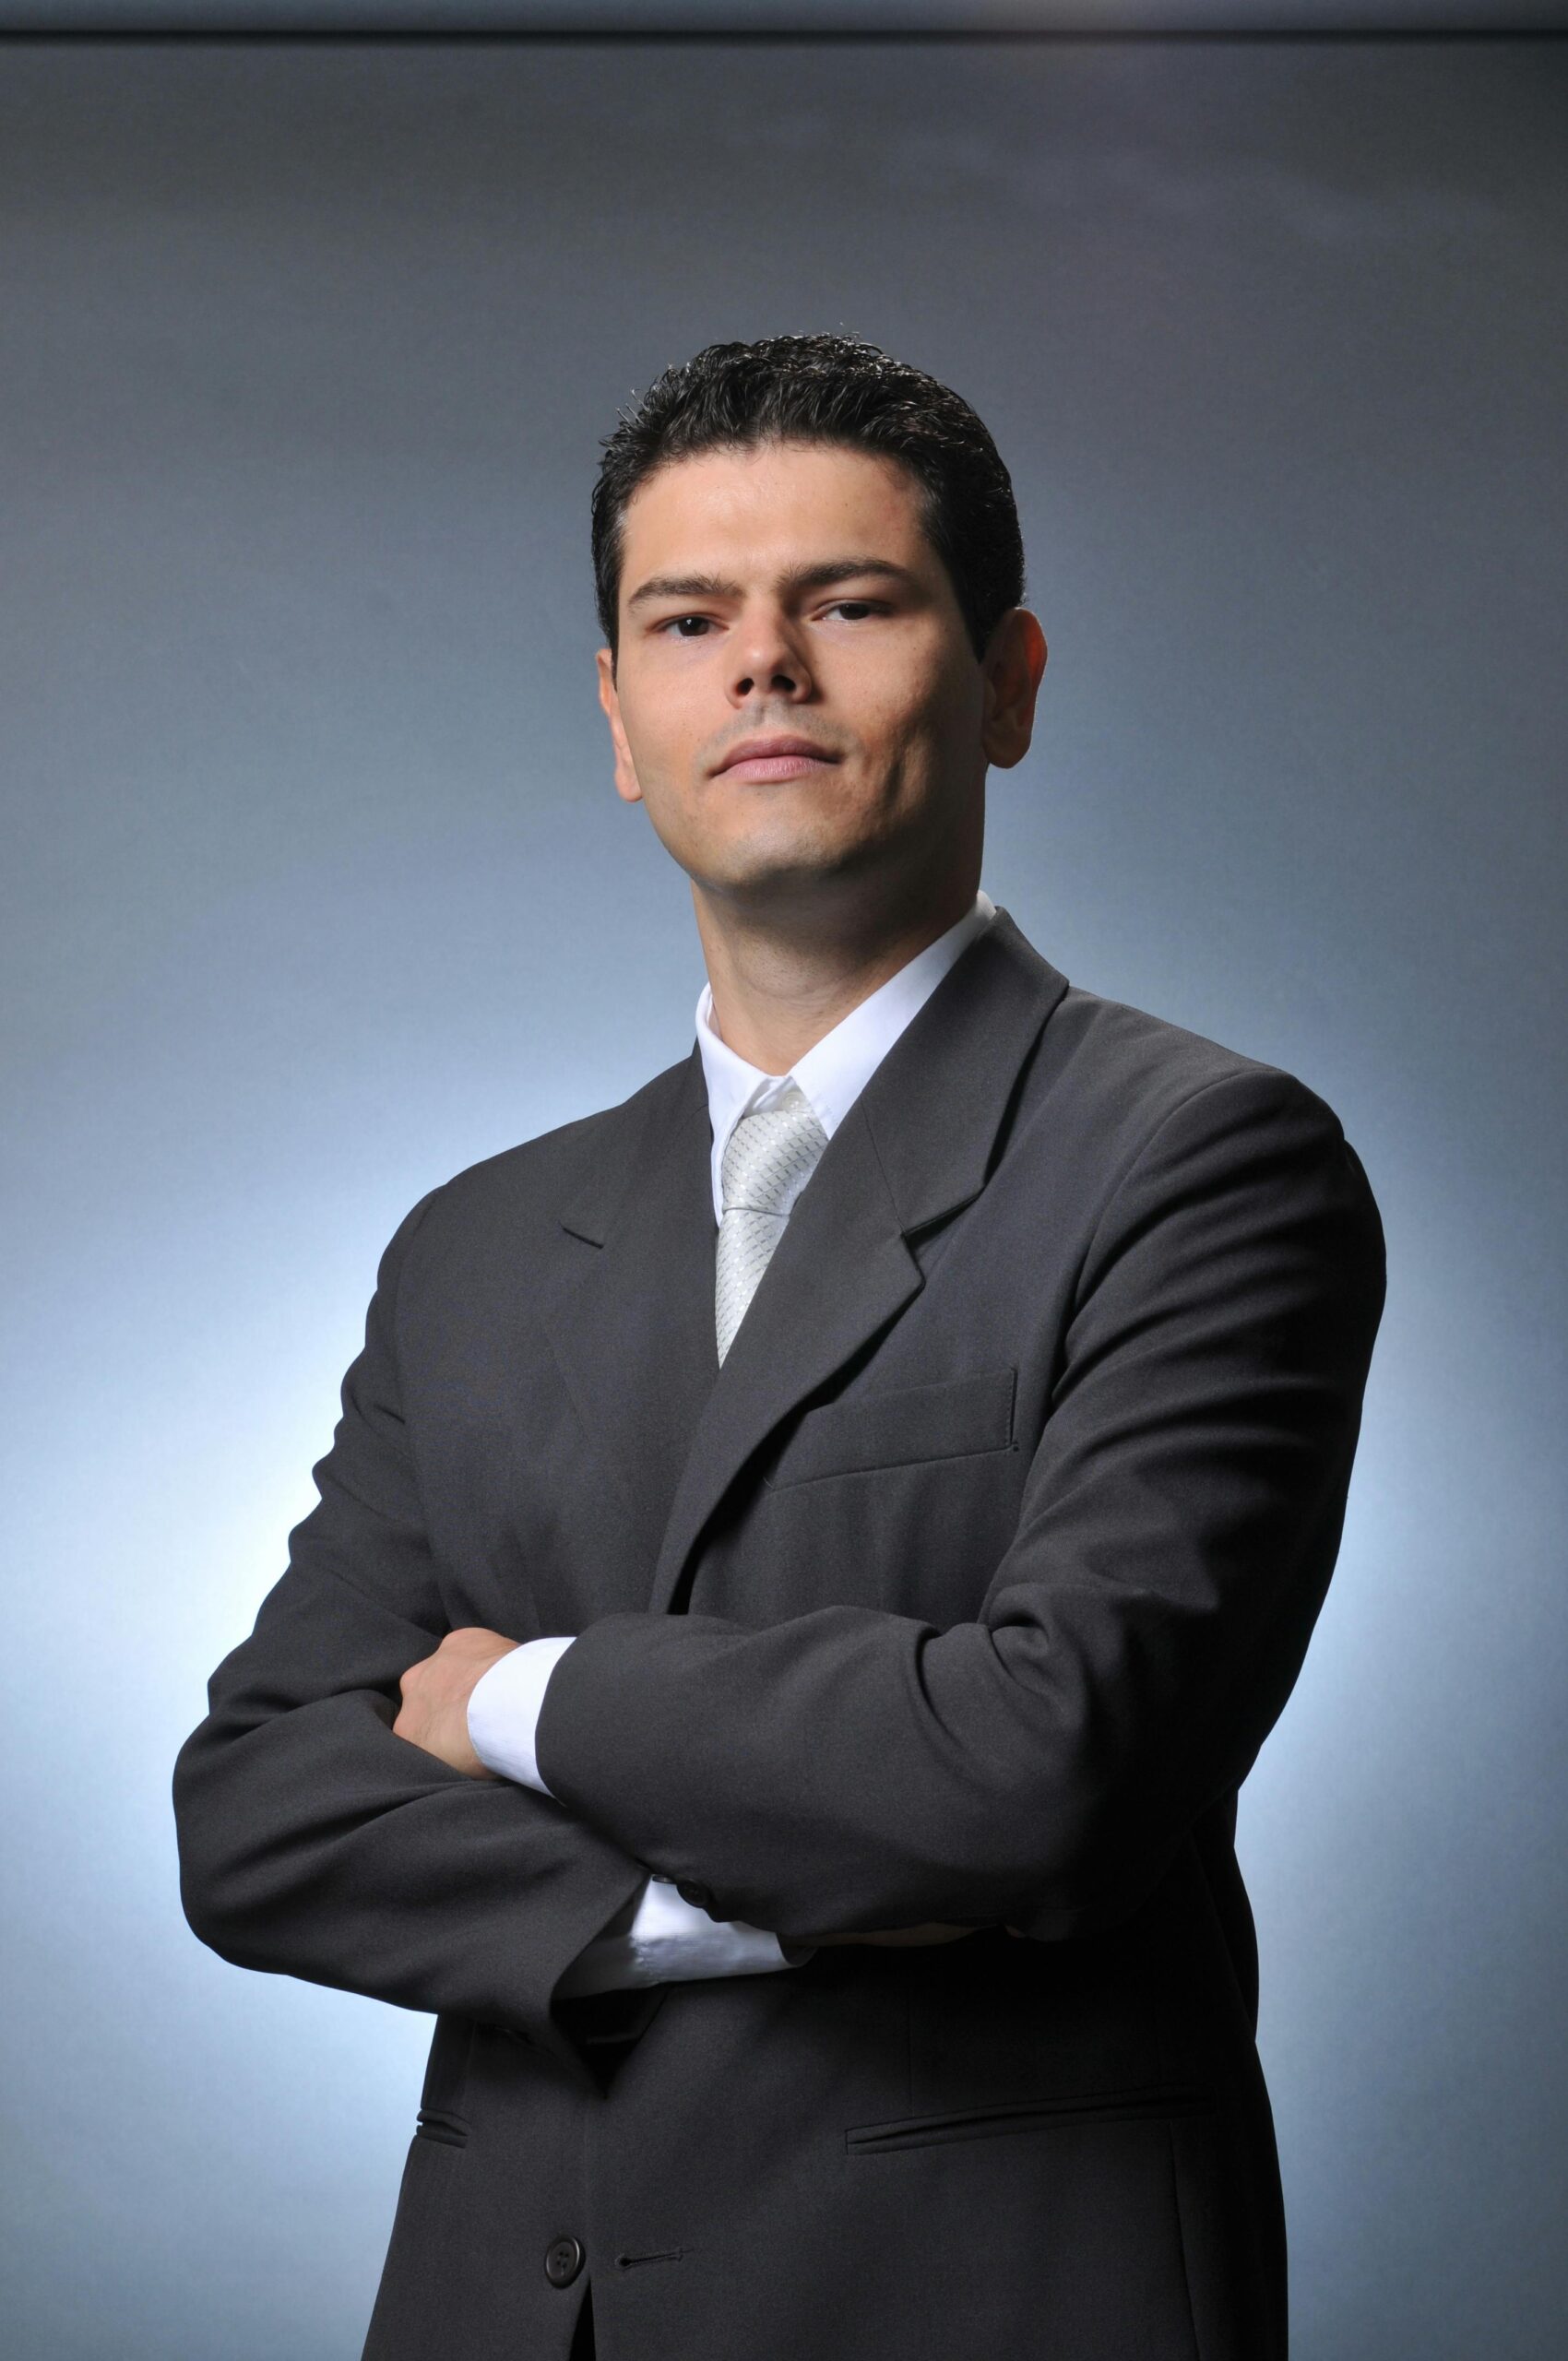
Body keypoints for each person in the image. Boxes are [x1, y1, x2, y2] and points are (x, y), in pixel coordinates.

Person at [172, 331, 1386, 2361]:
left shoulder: (1198, 1159)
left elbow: (1046, 1768)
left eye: (848, 601)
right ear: (619, 714)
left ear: (1005, 683)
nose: (764, 666)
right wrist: (721, 1911)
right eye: (689, 617)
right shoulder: (471, 1242)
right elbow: (259, 1806)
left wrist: (520, 1697)